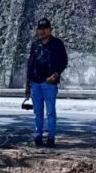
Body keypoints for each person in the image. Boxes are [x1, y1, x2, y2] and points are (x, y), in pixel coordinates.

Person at [25, 18, 68, 149]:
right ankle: (38, 136)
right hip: (35, 82)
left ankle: (51, 137)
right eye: (40, 28)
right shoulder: (35, 44)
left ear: (50, 29)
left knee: (50, 112)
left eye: (45, 28)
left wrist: (55, 75)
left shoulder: (57, 44)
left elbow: (64, 61)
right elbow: (30, 64)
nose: (42, 31)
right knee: (37, 112)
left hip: (49, 83)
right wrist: (27, 84)